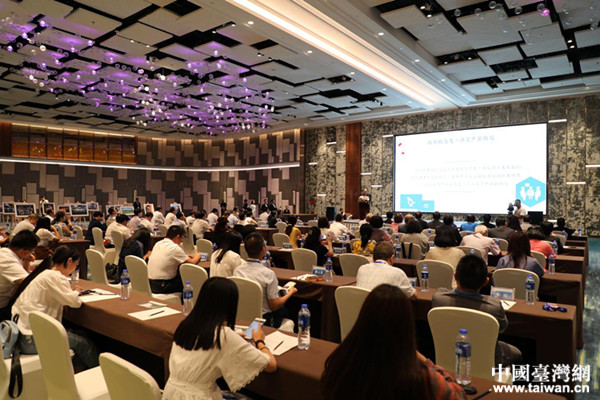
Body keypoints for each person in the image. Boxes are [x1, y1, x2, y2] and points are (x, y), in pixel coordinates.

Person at [321, 284, 466, 400]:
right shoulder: (421, 379)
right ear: (407, 327)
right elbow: (459, 395)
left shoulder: (340, 365)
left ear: (363, 319)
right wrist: (427, 362)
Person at [163, 277, 276, 400]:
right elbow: (271, 365)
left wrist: (233, 338)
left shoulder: (186, 325)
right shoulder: (223, 336)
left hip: (171, 393)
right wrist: (259, 340)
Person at [11, 246, 99, 371]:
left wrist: (70, 293)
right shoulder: (56, 277)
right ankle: (100, 375)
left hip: (21, 334)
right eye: (76, 265)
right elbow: (74, 302)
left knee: (79, 335)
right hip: (32, 338)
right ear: (69, 261)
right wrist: (76, 293)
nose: (75, 269)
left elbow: (60, 295)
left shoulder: (45, 274)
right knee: (84, 344)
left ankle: (77, 372)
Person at [432, 255, 522, 366]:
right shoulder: (494, 307)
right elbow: (502, 329)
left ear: (455, 276)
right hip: (488, 360)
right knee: (517, 353)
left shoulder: (438, 299)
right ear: (486, 281)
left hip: (448, 356)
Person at [233, 233, 298, 328]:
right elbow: (274, 306)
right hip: (263, 321)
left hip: (242, 319)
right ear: (264, 249)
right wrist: (290, 293)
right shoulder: (268, 274)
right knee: (288, 309)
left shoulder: (237, 270)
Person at [148, 226, 201, 294]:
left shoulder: (158, 243)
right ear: (178, 237)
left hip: (150, 283)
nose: (181, 241)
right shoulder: (174, 247)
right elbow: (193, 262)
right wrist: (197, 255)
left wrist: (184, 257)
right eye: (181, 238)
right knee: (188, 283)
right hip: (163, 285)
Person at [0, 231, 38, 320]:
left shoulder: (5, 253)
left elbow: (25, 277)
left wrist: (26, 260)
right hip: (2, 309)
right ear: (24, 251)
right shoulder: (7, 260)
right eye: (32, 251)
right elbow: (28, 283)